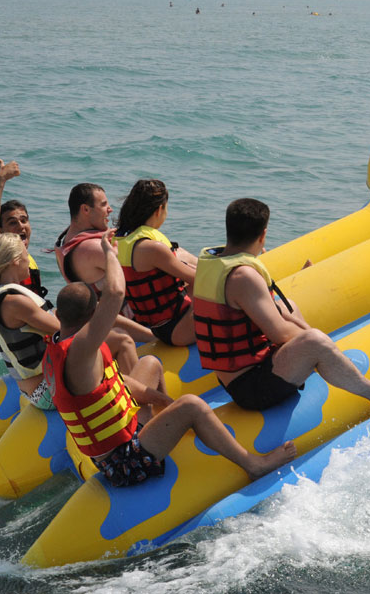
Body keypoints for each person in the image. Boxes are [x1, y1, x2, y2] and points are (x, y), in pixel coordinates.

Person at [45, 230, 295, 487]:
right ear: (90, 317)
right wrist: (110, 254)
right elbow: (116, 294)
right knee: (192, 405)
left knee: (150, 364)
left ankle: (164, 431)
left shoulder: (57, 347)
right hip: (125, 461)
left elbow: (111, 386)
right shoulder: (82, 349)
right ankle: (254, 465)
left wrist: (159, 399)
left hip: (125, 437)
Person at [193, 198, 370, 411]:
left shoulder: (213, 263)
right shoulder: (243, 275)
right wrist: (313, 337)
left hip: (236, 378)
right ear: (263, 235)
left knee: (289, 306)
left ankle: (324, 357)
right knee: (314, 340)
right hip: (253, 388)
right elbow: (279, 334)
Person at [0, 233, 145, 409]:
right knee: (121, 339)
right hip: (46, 391)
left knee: (102, 322)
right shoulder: (13, 302)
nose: (28, 261)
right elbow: (67, 331)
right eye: (25, 255)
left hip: (37, 386)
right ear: (14, 261)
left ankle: (148, 343)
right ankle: (138, 408)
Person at [54, 183, 153, 343]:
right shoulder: (91, 248)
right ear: (85, 210)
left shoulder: (63, 242)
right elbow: (141, 270)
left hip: (98, 320)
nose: (110, 209)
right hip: (126, 322)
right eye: (104, 204)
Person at [113, 179, 197, 346]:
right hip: (178, 330)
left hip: (159, 328)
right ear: (159, 209)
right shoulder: (152, 248)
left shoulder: (120, 242)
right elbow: (201, 280)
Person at [0, 158, 49, 337]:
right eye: (12, 222)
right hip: (13, 337)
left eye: (24, 220)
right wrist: (1, 180)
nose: (21, 226)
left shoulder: (26, 258)